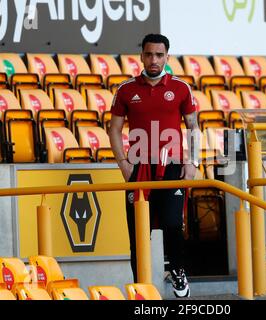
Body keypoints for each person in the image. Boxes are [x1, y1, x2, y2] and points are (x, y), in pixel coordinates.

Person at [109, 33, 200, 298]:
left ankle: (178, 271)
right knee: (138, 233)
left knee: (173, 224)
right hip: (138, 169)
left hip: (171, 167)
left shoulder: (181, 88)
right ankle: (141, 288)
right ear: (142, 56)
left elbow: (193, 126)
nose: (154, 60)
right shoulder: (126, 89)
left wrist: (192, 161)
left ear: (167, 57)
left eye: (159, 55)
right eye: (149, 54)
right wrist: (124, 164)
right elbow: (114, 129)